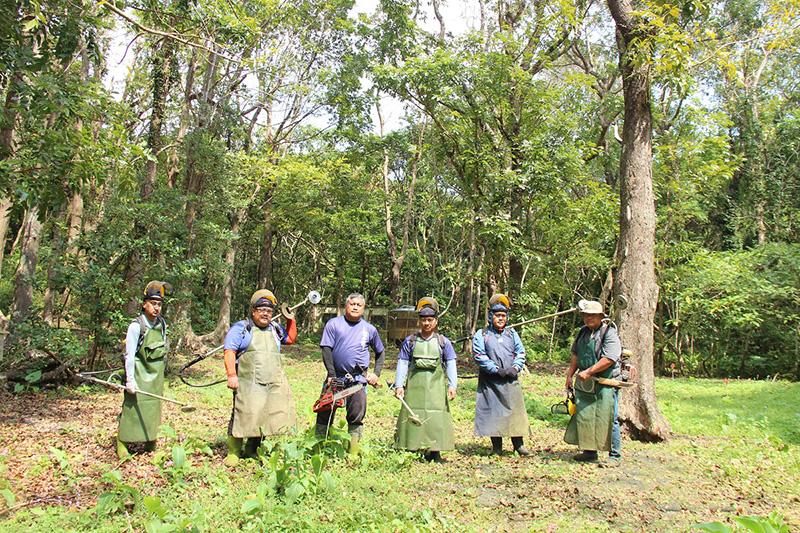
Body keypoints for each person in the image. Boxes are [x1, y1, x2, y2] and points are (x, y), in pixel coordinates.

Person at [222, 289, 297, 467]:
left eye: (269, 311)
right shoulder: (242, 328)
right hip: (247, 382)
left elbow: (290, 339)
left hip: (271, 381)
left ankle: (252, 450)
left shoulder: (275, 329)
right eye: (261, 310)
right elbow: (229, 351)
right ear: (254, 311)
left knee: (264, 415)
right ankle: (234, 451)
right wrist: (232, 375)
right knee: (242, 413)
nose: (265, 314)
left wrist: (290, 319)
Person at [315, 293, 385, 455]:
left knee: (356, 416)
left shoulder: (369, 329)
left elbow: (380, 352)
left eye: (358, 305)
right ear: (346, 306)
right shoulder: (333, 324)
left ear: (363, 309)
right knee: (325, 413)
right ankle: (319, 450)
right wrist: (331, 374)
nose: (355, 307)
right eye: (352, 304)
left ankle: (353, 452)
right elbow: (326, 349)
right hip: (336, 377)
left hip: (358, 380)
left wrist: (376, 373)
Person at [393, 297, 457, 463]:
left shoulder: (444, 342)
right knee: (412, 416)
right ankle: (411, 448)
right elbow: (402, 362)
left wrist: (453, 385)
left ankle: (435, 452)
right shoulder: (410, 341)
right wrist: (399, 385)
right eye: (423, 320)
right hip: (414, 388)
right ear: (419, 321)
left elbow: (450, 364)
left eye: (430, 320)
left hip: (436, 389)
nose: (426, 323)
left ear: (435, 322)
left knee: (437, 418)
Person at [564, 300, 623, 467]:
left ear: (600, 316)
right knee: (585, 415)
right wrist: (570, 376)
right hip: (585, 383)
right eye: (586, 315)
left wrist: (589, 371)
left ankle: (614, 455)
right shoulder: (582, 332)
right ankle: (590, 452)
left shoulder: (608, 333)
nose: (588, 318)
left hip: (605, 382)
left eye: (592, 315)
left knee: (610, 417)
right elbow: (575, 354)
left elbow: (610, 358)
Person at [471, 294, 532, 456]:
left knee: (515, 411)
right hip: (491, 381)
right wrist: (496, 370)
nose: (500, 319)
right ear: (491, 316)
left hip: (511, 380)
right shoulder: (482, 334)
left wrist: (515, 368)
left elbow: (520, 353)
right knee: (493, 412)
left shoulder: (512, 334)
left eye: (503, 316)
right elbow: (479, 355)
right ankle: (496, 448)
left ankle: (519, 445)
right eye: (497, 315)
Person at [117, 281, 170, 458]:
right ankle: (122, 442)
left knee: (153, 408)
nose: (156, 308)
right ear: (144, 304)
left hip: (156, 377)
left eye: (159, 305)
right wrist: (130, 380)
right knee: (132, 407)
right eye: (153, 304)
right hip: (139, 375)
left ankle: (150, 441)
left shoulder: (161, 324)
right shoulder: (136, 326)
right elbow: (129, 355)